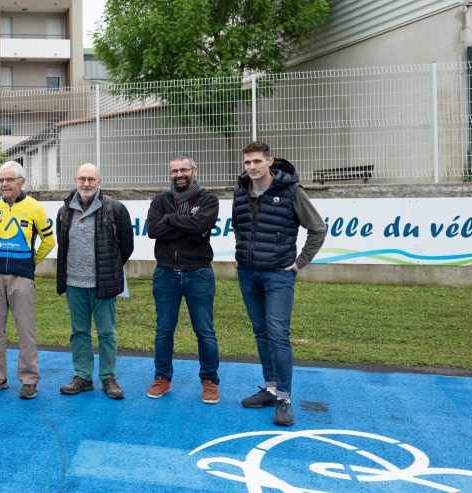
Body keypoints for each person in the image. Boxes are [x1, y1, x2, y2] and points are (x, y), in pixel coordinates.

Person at [233, 141, 326, 426]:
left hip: (278, 275)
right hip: (248, 274)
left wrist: (299, 262)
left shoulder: (291, 191)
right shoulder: (240, 191)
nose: (252, 167)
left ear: (269, 161)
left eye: (257, 162)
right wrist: (241, 254)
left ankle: (284, 398)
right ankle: (271, 387)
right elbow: (239, 226)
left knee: (277, 333)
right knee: (260, 331)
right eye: (247, 162)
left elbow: (317, 229)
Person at [145, 154, 222, 403]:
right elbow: (153, 230)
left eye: (184, 170)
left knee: (205, 330)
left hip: (199, 273)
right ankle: (162, 378)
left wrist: (170, 220)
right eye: (174, 171)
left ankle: (209, 381)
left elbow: (202, 225)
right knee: (164, 330)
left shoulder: (208, 199)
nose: (179, 174)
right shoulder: (161, 199)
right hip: (165, 272)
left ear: (194, 172)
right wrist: (188, 225)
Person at [55, 163, 134, 399]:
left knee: (106, 333)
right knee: (79, 332)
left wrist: (110, 269)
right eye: (82, 179)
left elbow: (126, 246)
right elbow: (63, 243)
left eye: (91, 179)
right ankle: (83, 376)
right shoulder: (65, 209)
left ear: (99, 181)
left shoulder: (115, 208)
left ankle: (108, 377)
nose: (86, 184)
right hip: (74, 283)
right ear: (75, 180)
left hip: (103, 284)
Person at [0, 160, 54, 399]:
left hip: (22, 276)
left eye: (9, 180)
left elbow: (49, 241)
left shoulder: (34, 207)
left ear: (22, 182)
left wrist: (31, 262)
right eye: (1, 180)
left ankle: (29, 379)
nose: (4, 184)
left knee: (25, 330)